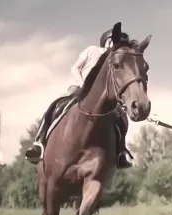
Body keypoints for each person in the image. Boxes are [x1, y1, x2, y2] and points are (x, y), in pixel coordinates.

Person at [24, 28, 133, 168]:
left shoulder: (116, 61)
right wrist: (83, 84)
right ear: (108, 41)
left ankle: (121, 152)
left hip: (101, 96)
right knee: (56, 105)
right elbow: (75, 68)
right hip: (79, 88)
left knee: (121, 116)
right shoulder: (92, 50)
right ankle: (38, 143)